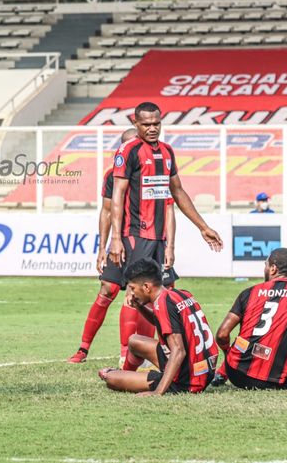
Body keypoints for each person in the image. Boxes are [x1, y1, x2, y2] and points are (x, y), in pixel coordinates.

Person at [109, 101, 223, 365]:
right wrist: (117, 238)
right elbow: (118, 195)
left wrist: (202, 226)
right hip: (137, 234)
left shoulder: (168, 151)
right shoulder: (128, 151)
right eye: (146, 124)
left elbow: (178, 191)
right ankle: (126, 355)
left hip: (160, 238)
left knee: (165, 291)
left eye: (156, 123)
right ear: (135, 123)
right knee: (135, 293)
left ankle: (162, 350)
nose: (152, 128)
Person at [68, 128, 178, 364]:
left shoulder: (157, 171)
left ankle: (149, 352)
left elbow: (169, 208)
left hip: (151, 241)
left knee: (157, 294)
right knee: (108, 289)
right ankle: (84, 348)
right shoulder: (112, 176)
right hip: (122, 240)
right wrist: (103, 247)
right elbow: (107, 211)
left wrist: (170, 245)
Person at [98, 258, 218, 395]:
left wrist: (158, 392)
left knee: (110, 378)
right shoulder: (180, 294)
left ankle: (155, 380)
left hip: (188, 379)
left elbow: (179, 351)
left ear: (147, 287)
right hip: (204, 369)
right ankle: (127, 373)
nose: (131, 293)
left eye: (132, 288)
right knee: (134, 341)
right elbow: (162, 322)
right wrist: (139, 306)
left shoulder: (162, 304)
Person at [213, 248, 287, 390]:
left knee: (244, 337)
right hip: (275, 380)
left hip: (236, 373)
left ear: (273, 269)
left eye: (265, 265)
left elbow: (222, 334)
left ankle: (221, 373)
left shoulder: (249, 292)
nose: (265, 269)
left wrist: (228, 354)